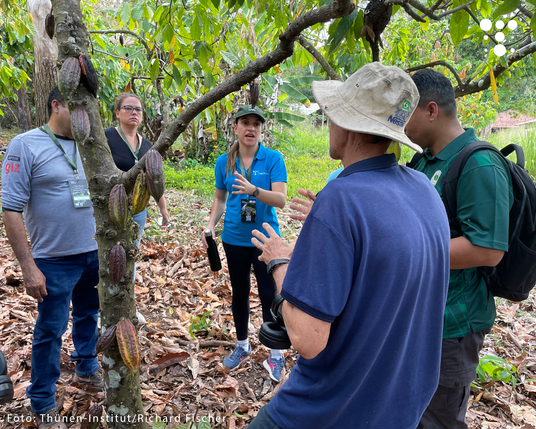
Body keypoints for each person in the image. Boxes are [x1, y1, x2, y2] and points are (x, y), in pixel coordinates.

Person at [248, 62, 451, 429]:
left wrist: (280, 263)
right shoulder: (425, 190)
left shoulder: (340, 199)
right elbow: (380, 275)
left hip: (329, 410)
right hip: (399, 408)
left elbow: (307, 338)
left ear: (345, 123)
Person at [405, 69, 513, 429]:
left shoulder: (478, 163)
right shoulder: (424, 160)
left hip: (452, 323)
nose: (401, 123)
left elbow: (486, 249)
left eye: (407, 112)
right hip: (420, 314)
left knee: (438, 418)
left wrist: (409, 248)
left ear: (431, 110)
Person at [2, 87, 101, 429]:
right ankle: (42, 397)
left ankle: (86, 363)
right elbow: (11, 208)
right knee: (51, 329)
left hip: (94, 252)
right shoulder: (25, 144)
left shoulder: (92, 144)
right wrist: (28, 267)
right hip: (54, 258)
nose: (84, 117)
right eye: (77, 109)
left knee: (90, 313)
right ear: (55, 105)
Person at [202, 105, 288, 382]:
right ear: (235, 127)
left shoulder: (272, 159)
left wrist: (253, 190)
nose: (251, 128)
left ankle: (275, 354)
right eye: (245, 123)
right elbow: (220, 198)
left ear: (261, 130)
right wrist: (210, 224)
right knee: (239, 292)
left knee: (268, 294)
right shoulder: (223, 162)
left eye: (256, 124)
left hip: (265, 238)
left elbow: (281, 200)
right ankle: (242, 345)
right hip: (235, 238)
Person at [105, 92, 170, 248]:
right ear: (118, 113)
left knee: (132, 252)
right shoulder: (106, 137)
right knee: (111, 252)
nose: (134, 112)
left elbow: (154, 178)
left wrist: (163, 209)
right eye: (128, 108)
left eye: (138, 109)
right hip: (111, 207)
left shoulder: (147, 145)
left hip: (138, 209)